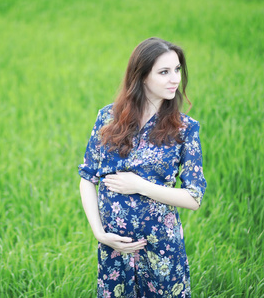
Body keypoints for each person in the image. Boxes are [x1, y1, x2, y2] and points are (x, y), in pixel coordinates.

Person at [78, 37, 207, 297]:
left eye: (177, 70)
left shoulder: (185, 129)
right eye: (164, 72)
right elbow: (87, 178)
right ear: (142, 76)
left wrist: (140, 186)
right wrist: (100, 233)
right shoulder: (108, 118)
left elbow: (194, 197)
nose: (175, 79)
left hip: (161, 249)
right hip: (116, 249)